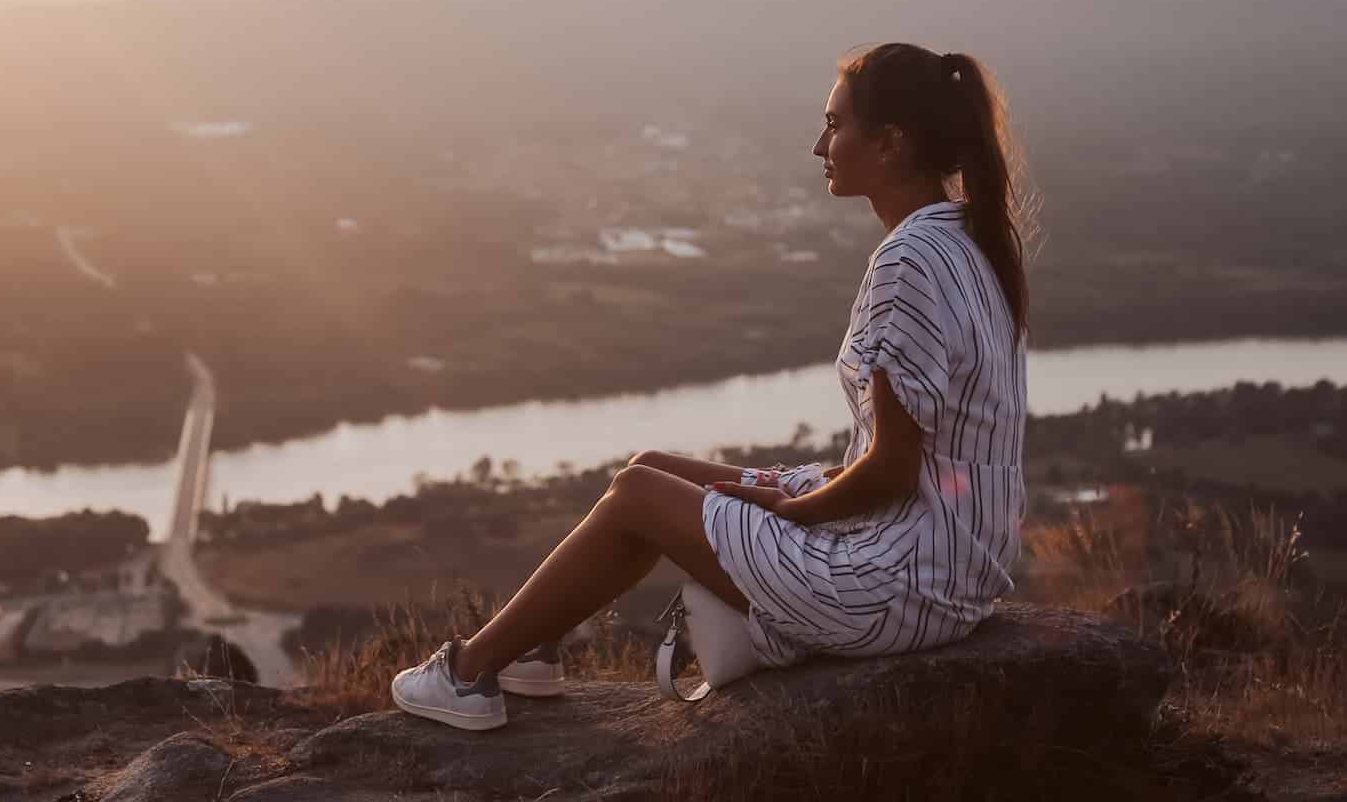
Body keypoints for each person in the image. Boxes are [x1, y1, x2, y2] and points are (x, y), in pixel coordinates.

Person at [390, 42, 1038, 731]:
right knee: (651, 470)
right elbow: (913, 461)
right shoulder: (966, 240)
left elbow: (892, 471)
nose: (820, 144)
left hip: (898, 585)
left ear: (890, 145)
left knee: (639, 497)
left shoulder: (909, 261)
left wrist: (794, 513)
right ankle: (533, 650)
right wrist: (796, 492)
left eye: (835, 125)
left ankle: (466, 675)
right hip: (940, 566)